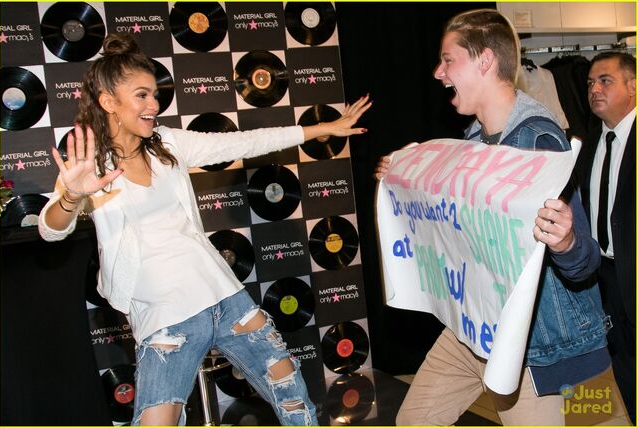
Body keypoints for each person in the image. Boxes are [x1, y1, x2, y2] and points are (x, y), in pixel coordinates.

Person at [38, 33, 371, 426]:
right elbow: (50, 230)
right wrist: (72, 197)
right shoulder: (88, 165)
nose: (154, 104)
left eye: (155, 95)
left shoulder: (167, 144)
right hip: (165, 318)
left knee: (294, 399)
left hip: (225, 298)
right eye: (141, 95)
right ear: (109, 101)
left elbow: (245, 143)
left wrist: (322, 129)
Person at [375, 9, 609, 425]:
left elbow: (585, 262)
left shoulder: (539, 142)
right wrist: (404, 176)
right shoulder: (472, 141)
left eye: (448, 60)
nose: (438, 73)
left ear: (484, 60)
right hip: (473, 329)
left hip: (531, 347)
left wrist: (566, 242)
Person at [575, 51, 636, 423]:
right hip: (603, 278)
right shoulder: (589, 140)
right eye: (590, 83)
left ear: (633, 86)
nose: (594, 89)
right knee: (622, 371)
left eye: (605, 81)